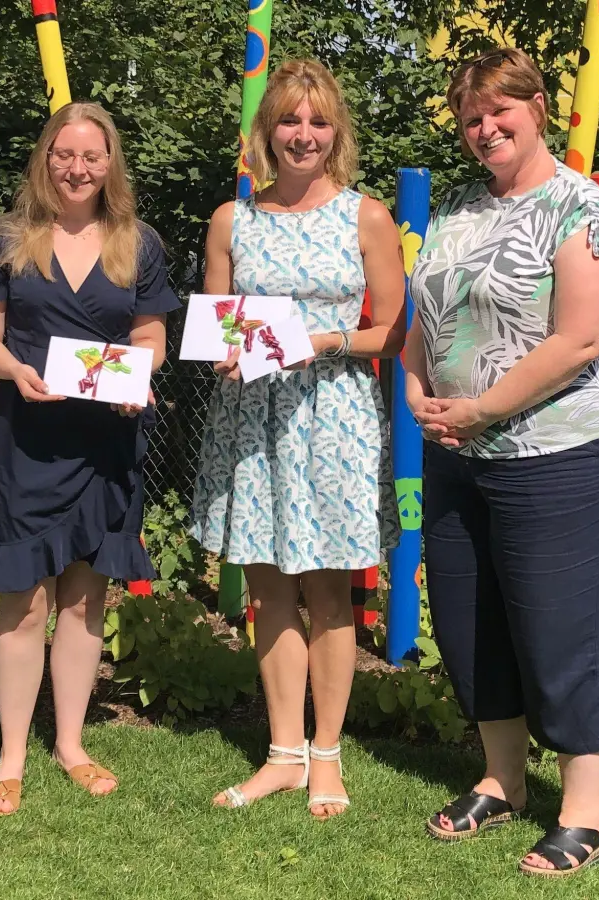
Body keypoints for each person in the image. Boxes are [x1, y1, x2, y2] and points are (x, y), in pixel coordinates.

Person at [403, 48, 599, 876]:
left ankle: (586, 808)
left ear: (538, 107)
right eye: (470, 117)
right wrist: (417, 389)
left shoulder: (580, 212)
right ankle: (503, 780)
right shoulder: (461, 211)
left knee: (560, 626)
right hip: (457, 451)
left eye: (500, 110)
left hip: (560, 450)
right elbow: (419, 316)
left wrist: (482, 408)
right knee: (469, 623)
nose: (484, 128)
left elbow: (581, 337)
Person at [189, 59, 405, 820]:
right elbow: (215, 321)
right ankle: (282, 752)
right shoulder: (231, 220)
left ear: (335, 133)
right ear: (267, 132)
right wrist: (222, 350)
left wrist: (322, 339)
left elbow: (394, 329)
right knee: (269, 588)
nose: (302, 135)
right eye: (289, 120)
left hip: (334, 417)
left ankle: (327, 755)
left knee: (329, 590)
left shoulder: (365, 216)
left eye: (317, 122)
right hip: (254, 419)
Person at [0, 101, 180, 816]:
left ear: (110, 164)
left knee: (87, 600)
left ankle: (73, 746)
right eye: (64, 154)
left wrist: (140, 379)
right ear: (45, 160)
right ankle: (12, 755)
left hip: (107, 443)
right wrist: (16, 372)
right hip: (28, 440)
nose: (77, 168)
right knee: (23, 606)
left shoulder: (137, 244)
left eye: (92, 156)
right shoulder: (5, 239)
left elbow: (152, 339)